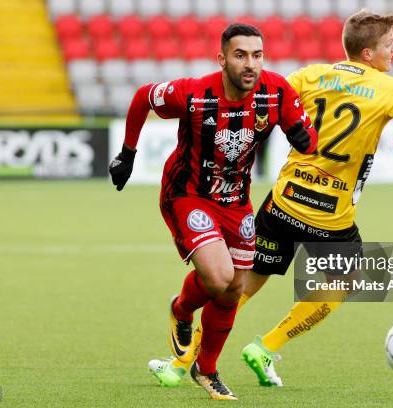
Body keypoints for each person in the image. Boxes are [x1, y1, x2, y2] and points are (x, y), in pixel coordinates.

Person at [148, 9, 393, 388]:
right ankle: (267, 347)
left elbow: (261, 97)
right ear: (368, 53)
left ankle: (181, 361)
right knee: (344, 281)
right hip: (331, 217)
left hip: (283, 203)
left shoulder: (310, 75)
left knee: (240, 286)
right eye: (388, 43)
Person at [109, 23, 317, 400]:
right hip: (188, 195)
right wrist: (128, 153)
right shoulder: (192, 93)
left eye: (257, 55)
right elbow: (143, 97)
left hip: (237, 201)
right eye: (240, 55)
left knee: (235, 288)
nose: (250, 64)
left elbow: (306, 134)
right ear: (222, 59)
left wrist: (304, 139)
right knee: (221, 277)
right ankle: (182, 309)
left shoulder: (276, 91)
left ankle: (207, 370)